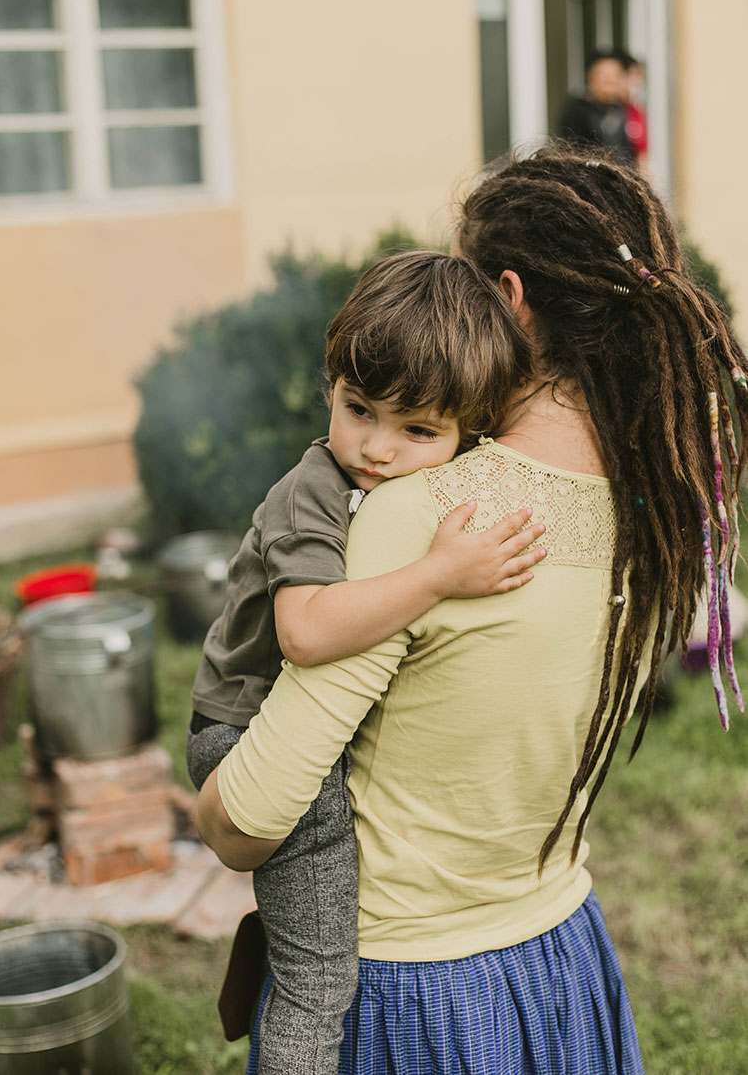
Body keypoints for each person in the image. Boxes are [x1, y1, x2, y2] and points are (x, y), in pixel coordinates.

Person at [195, 143, 748, 1074]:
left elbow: (247, 816)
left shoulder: (426, 514)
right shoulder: (653, 512)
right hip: (560, 958)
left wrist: (210, 797)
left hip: (411, 994)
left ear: (511, 296)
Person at [187, 249, 544, 1074]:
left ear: (468, 433)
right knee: (320, 976)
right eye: (359, 410)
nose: (377, 448)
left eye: (417, 430)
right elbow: (306, 631)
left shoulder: (414, 483)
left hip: (303, 731)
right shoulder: (311, 491)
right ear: (331, 390)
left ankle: (274, 937)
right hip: (246, 731)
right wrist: (440, 575)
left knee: (311, 920)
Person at [559, 49, 636, 166]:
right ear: (590, 78)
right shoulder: (577, 111)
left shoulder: (620, 109)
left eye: (616, 77)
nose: (611, 83)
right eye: (605, 78)